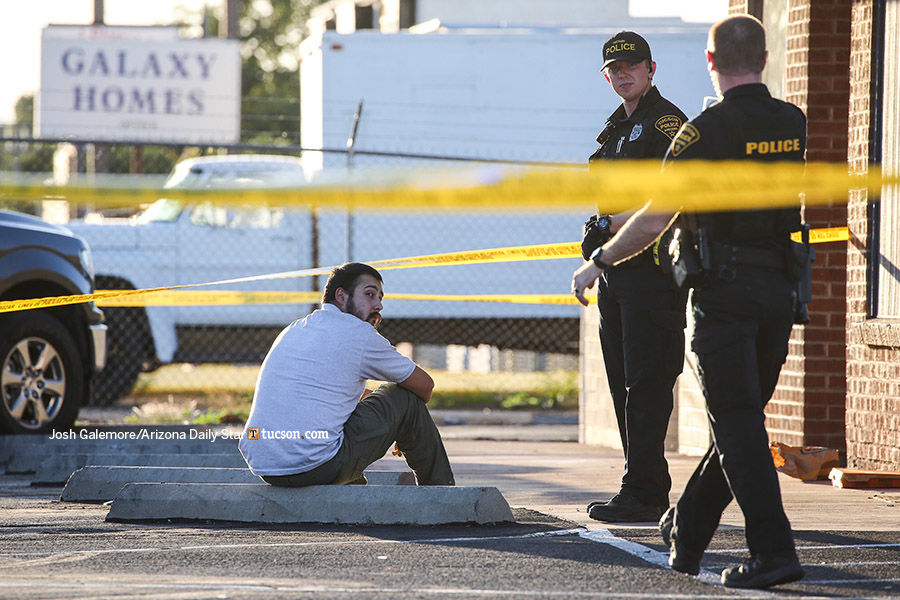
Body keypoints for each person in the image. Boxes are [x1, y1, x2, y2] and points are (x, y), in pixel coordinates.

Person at [572, 15, 806, 590]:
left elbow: (656, 215)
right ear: (767, 56)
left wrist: (599, 260)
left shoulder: (700, 132)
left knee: (736, 419)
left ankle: (773, 549)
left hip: (724, 294)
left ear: (709, 62)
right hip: (781, 289)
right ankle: (689, 523)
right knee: (742, 418)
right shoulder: (792, 122)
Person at [581, 31, 689, 523]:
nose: (622, 74)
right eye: (614, 69)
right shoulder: (613, 130)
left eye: (632, 66)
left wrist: (608, 227)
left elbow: (671, 201)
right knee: (624, 382)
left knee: (647, 383)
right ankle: (640, 485)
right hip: (617, 274)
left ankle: (644, 491)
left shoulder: (667, 125)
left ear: (651, 69)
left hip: (653, 272)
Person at [239, 262, 455, 487]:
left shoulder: (295, 329)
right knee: (404, 396)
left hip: (267, 467)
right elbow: (424, 386)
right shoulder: (358, 333)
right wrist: (404, 420)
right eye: (369, 294)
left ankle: (350, 489)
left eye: (380, 298)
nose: (378, 305)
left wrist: (394, 420)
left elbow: (328, 393)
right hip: (314, 466)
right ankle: (441, 493)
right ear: (341, 296)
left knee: (347, 417)